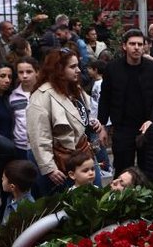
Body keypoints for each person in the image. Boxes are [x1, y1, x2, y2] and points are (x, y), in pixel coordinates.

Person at [27, 48, 106, 195]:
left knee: (95, 200)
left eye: (77, 65)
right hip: (60, 164)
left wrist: (93, 123)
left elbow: (82, 117)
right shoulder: (41, 96)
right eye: (72, 67)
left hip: (84, 155)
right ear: (58, 69)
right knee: (64, 210)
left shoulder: (75, 88)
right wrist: (49, 167)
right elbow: (38, 136)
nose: (78, 70)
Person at [98, 30, 153, 176]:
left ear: (145, 47)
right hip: (122, 127)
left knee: (150, 171)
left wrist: (152, 120)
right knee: (122, 170)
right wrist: (102, 126)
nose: (136, 47)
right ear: (124, 46)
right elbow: (105, 97)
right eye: (132, 44)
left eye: (140, 44)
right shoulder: (112, 68)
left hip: (147, 126)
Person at [10, 57, 39, 162]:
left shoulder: (44, 93)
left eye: (29, 72)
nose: (25, 76)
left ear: (37, 72)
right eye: (21, 72)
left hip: (40, 146)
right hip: (20, 146)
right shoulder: (13, 96)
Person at [1, 159, 37, 224]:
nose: (2, 179)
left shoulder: (24, 211)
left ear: (12, 187)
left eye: (3, 178)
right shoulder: (11, 197)